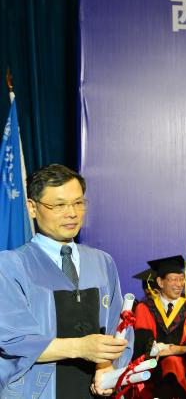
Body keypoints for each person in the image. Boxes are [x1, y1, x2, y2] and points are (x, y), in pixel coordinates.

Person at [0, 164, 130, 398]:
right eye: (59, 205)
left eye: (78, 203)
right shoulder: (11, 266)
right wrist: (80, 347)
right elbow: (13, 340)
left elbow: (118, 325)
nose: (72, 213)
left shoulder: (102, 262)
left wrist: (107, 366)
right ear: (32, 207)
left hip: (94, 391)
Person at [132, 255, 186, 398]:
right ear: (160, 282)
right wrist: (155, 349)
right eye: (174, 279)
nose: (179, 284)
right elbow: (142, 344)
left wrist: (174, 349)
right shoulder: (145, 308)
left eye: (182, 279)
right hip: (153, 373)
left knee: (172, 362)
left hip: (185, 372)